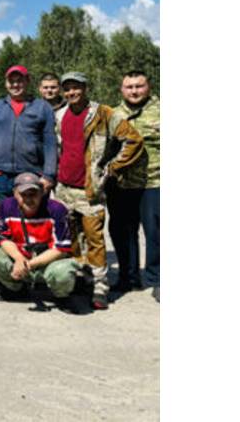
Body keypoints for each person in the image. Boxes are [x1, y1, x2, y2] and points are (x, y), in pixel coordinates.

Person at [53, 72, 144, 310]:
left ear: (85, 88)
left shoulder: (103, 114)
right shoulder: (59, 115)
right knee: (71, 237)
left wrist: (111, 167)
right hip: (63, 188)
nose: (72, 93)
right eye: (68, 89)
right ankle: (79, 279)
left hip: (89, 189)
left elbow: (133, 140)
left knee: (94, 239)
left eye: (76, 88)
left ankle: (100, 287)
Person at [0, 173, 85, 313]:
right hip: (22, 256)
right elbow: (3, 237)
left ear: (43, 192)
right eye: (23, 194)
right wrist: (19, 259)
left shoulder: (57, 209)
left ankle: (62, 296)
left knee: (64, 271)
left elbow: (61, 249)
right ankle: (16, 289)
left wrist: (29, 265)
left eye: (33, 194)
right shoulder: (6, 206)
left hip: (48, 261)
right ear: (14, 193)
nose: (28, 199)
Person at [107, 70, 160, 302]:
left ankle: (157, 278)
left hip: (155, 180)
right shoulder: (112, 114)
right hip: (121, 183)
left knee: (156, 231)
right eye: (129, 87)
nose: (134, 91)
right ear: (122, 89)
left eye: (139, 86)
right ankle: (128, 277)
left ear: (148, 87)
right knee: (122, 231)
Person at [0, 65, 57, 203]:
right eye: (11, 82)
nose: (15, 85)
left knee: (32, 221)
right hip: (0, 175)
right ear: (6, 84)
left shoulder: (42, 107)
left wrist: (49, 174)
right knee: (3, 220)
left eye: (20, 80)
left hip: (32, 173)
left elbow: (50, 143)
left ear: (27, 81)